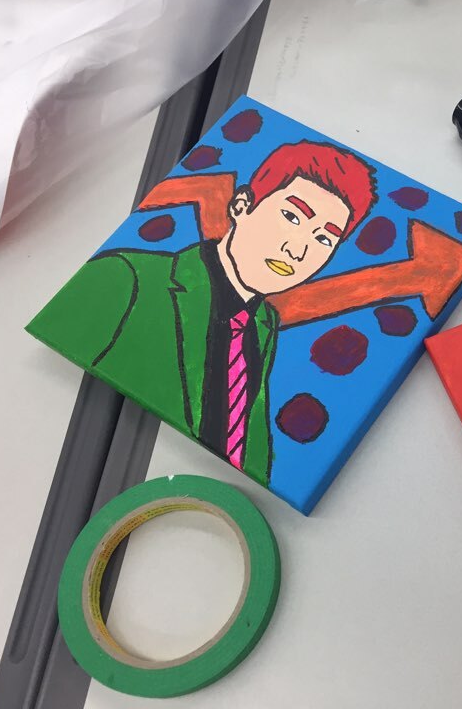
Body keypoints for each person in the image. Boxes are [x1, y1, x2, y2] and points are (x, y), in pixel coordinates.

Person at [27, 141, 377, 486]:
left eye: (324, 240)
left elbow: (245, 442)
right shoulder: (126, 276)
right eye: (291, 216)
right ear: (242, 206)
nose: (297, 250)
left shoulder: (263, 323)